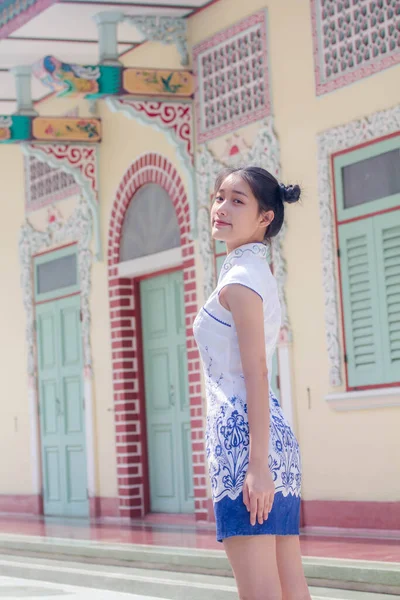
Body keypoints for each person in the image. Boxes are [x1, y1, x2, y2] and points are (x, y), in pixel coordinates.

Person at [193, 166, 311, 600]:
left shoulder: (240, 281)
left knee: (261, 592)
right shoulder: (254, 274)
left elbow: (257, 372)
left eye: (237, 200)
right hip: (269, 442)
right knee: (289, 588)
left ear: (266, 217)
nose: (221, 208)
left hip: (245, 448)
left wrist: (256, 466)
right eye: (219, 196)